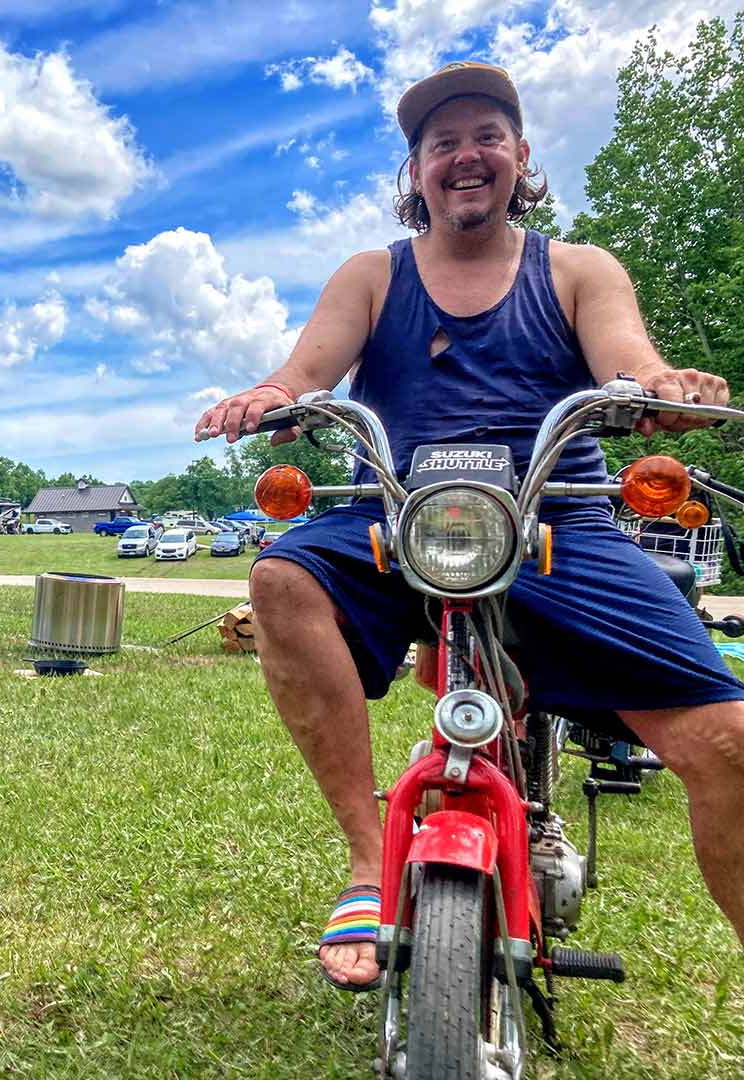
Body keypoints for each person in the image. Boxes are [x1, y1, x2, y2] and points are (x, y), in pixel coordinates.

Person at [194, 62, 744, 992]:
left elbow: (628, 358)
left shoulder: (576, 269)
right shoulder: (373, 275)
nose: (465, 157)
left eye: (485, 136)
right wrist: (272, 397)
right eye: (440, 144)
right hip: (399, 522)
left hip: (561, 523)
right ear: (416, 172)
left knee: (728, 745)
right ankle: (370, 866)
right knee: (282, 574)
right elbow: (306, 372)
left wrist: (661, 389)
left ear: (521, 156)